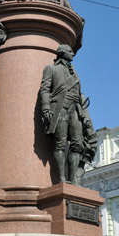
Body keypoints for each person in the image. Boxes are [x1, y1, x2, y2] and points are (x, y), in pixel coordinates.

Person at [40, 44, 93, 184]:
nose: (73, 54)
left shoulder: (74, 73)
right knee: (60, 143)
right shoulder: (51, 69)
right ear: (62, 53)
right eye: (70, 51)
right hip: (60, 108)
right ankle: (62, 179)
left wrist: (85, 115)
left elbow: (79, 95)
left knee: (77, 144)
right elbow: (45, 89)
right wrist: (46, 108)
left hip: (75, 110)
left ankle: (73, 180)